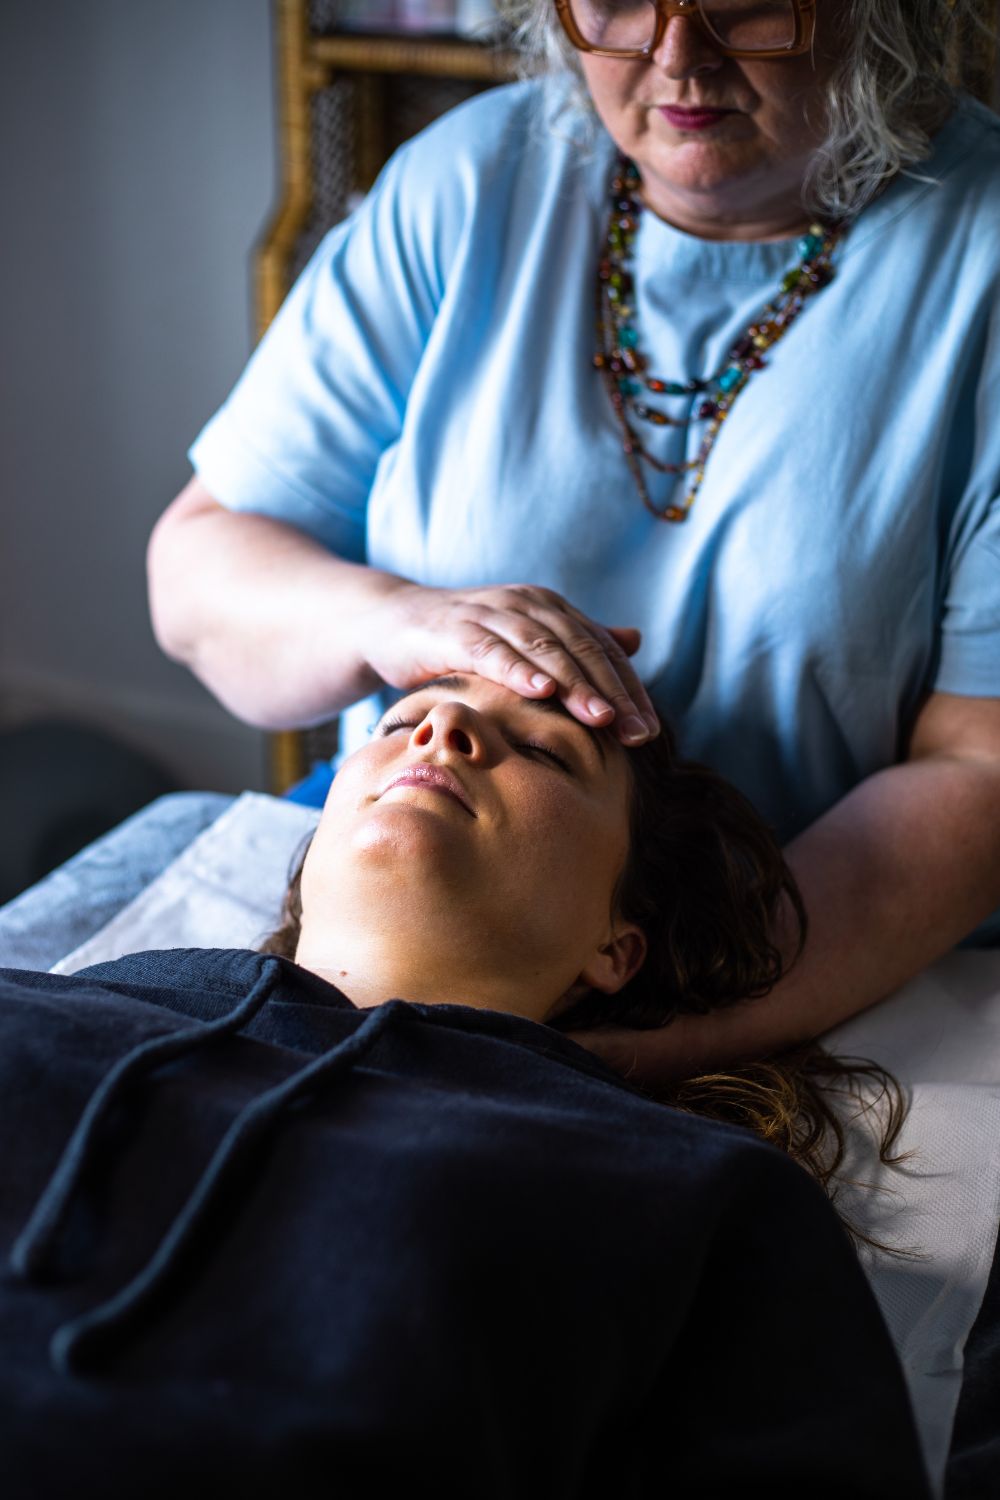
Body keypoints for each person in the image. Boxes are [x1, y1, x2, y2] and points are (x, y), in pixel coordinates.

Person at [145, 0, 1000, 1086]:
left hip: (817, 957)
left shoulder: (981, 258)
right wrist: (391, 617)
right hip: (441, 916)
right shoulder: (470, 180)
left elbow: (983, 767)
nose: (677, 55)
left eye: (748, 5)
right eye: (617, 2)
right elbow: (200, 566)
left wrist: (649, 1045)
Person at [0, 675, 929, 1497]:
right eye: (402, 717)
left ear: (616, 945)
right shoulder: (33, 1004)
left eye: (542, 751)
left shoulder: (696, 1188)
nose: (441, 727)